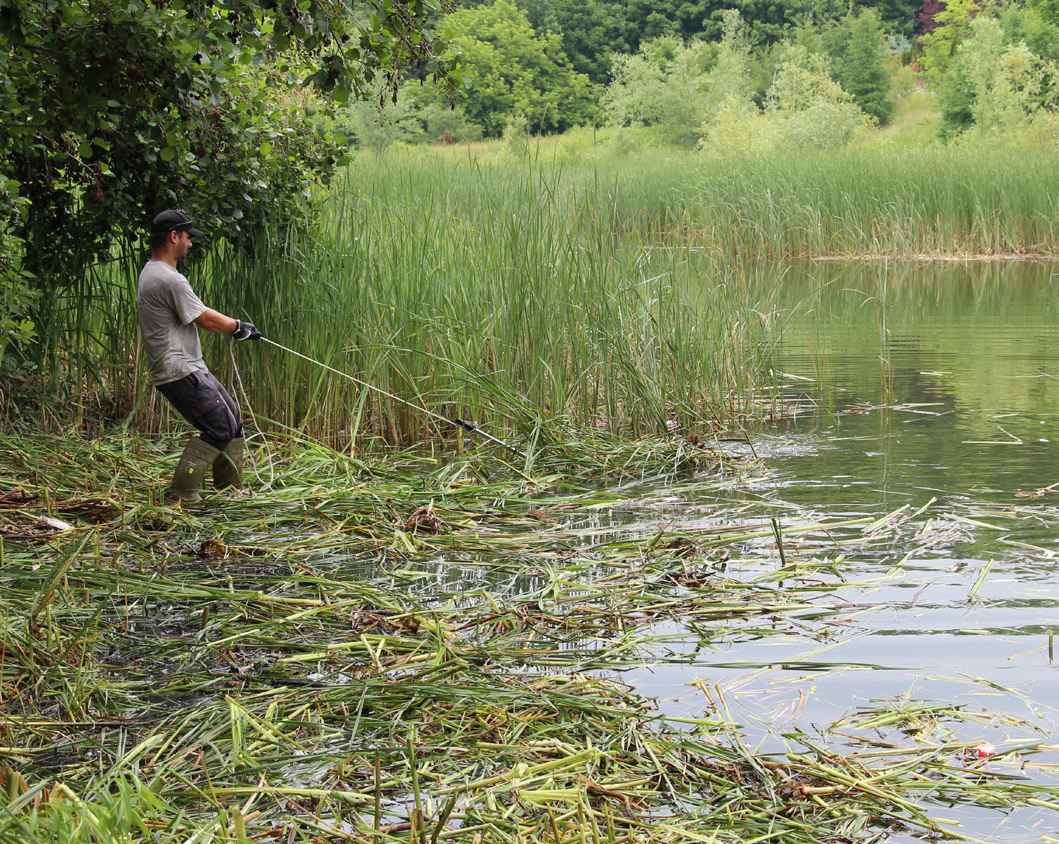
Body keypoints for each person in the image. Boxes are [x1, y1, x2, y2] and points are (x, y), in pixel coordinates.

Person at [137, 209, 262, 502]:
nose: (190, 243)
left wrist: (236, 326)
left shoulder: (153, 272)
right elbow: (205, 319)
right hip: (178, 369)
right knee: (219, 428)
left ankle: (229, 491)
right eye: (188, 237)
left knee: (233, 420)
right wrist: (238, 327)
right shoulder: (169, 279)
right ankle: (182, 492)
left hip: (188, 365)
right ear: (174, 236)